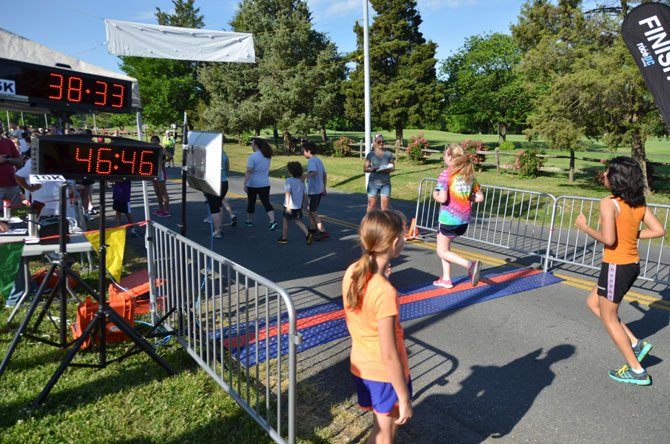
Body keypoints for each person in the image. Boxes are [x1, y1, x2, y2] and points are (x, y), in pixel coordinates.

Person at [575, 157, 665, 386]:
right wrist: (631, 235)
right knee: (592, 303)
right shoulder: (637, 203)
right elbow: (658, 230)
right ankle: (637, 344)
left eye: (607, 172)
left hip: (616, 266)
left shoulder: (608, 203)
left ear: (617, 178)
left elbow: (608, 239)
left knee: (609, 318)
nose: (604, 175)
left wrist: (585, 228)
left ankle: (636, 370)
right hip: (630, 265)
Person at [342, 210, 412, 443]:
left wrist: (382, 278)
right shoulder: (384, 292)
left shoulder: (352, 271)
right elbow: (389, 353)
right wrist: (403, 397)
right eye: (403, 236)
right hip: (384, 374)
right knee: (386, 436)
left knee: (381, 429)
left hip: (362, 365)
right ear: (394, 244)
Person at [432, 144, 484, 289]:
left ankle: (470, 265)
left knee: (441, 250)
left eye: (445, 155)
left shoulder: (446, 174)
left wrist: (434, 194)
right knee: (446, 248)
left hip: (448, 219)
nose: (444, 158)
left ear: (449, 157)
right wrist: (466, 198)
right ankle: (446, 279)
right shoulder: (468, 175)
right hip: (464, 220)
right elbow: (480, 197)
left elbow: (442, 198)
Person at [243, 137, 277, 230]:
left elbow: (249, 171)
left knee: (251, 202)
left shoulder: (252, 157)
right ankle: (272, 221)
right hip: (265, 183)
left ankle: (249, 221)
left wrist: (245, 183)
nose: (251, 146)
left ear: (256, 145)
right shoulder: (267, 156)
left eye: (252, 144)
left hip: (252, 184)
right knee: (266, 202)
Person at [203, 147, 237, 238]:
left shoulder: (209, 154)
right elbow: (227, 168)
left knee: (214, 208)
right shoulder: (224, 153)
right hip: (224, 182)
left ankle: (217, 231)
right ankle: (219, 227)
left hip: (213, 183)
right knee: (219, 205)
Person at [276, 162, 312, 245]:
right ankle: (307, 234)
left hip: (289, 206)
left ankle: (284, 238)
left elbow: (288, 193)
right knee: (297, 221)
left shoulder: (288, 181)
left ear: (290, 172)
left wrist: (288, 207)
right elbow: (304, 194)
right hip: (298, 206)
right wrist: (303, 204)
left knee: (285, 220)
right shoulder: (301, 181)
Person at [302, 141, 329, 241]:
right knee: (310, 209)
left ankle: (322, 231)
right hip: (319, 190)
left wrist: (303, 176)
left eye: (303, 151)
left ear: (308, 151)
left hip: (313, 191)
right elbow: (324, 174)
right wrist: (324, 187)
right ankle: (312, 228)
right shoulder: (318, 160)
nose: (303, 153)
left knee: (313, 211)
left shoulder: (311, 161)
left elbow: (313, 173)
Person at [364, 133, 395, 212]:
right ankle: (369, 223)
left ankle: (384, 223)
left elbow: (393, 167)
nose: (381, 143)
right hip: (373, 183)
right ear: (374, 142)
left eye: (383, 141)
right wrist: (372, 169)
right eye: (379, 142)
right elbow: (365, 168)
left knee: (385, 208)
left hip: (385, 183)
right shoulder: (370, 154)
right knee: (371, 206)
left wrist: (386, 169)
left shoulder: (388, 154)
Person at [150, 135, 173, 217]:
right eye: (152, 140)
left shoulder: (161, 149)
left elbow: (170, 156)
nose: (153, 142)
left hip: (161, 173)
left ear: (158, 141)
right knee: (157, 193)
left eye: (155, 140)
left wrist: (162, 162)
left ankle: (166, 211)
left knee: (163, 192)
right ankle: (161, 209)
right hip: (153, 172)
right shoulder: (151, 149)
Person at [0, 127, 23, 206]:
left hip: (12, 185)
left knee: (16, 214)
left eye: (0, 124)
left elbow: (20, 161)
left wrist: (8, 159)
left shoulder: (9, 142)